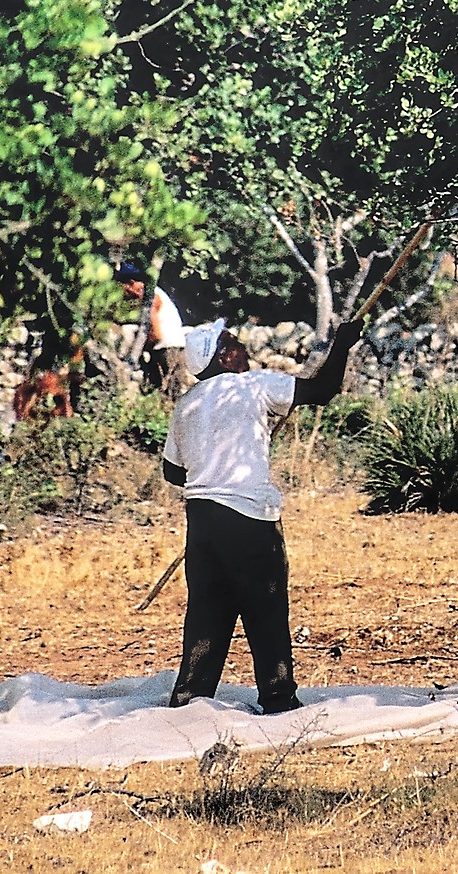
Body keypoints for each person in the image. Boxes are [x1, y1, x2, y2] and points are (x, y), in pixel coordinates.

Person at [160, 313, 362, 714]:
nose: (242, 348)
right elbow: (322, 390)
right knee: (265, 610)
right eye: (233, 343)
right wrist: (342, 344)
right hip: (249, 519)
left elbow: (172, 471)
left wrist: (211, 475)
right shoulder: (252, 386)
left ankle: (189, 701)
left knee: (207, 615)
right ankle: (278, 698)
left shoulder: (187, 404)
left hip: (202, 523)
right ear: (223, 357)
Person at [116, 262, 190, 399]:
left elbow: (156, 334)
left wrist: (139, 349)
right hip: (168, 348)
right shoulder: (150, 295)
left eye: (123, 287)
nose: (123, 293)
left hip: (168, 349)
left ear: (131, 283)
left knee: (173, 394)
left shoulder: (152, 298)